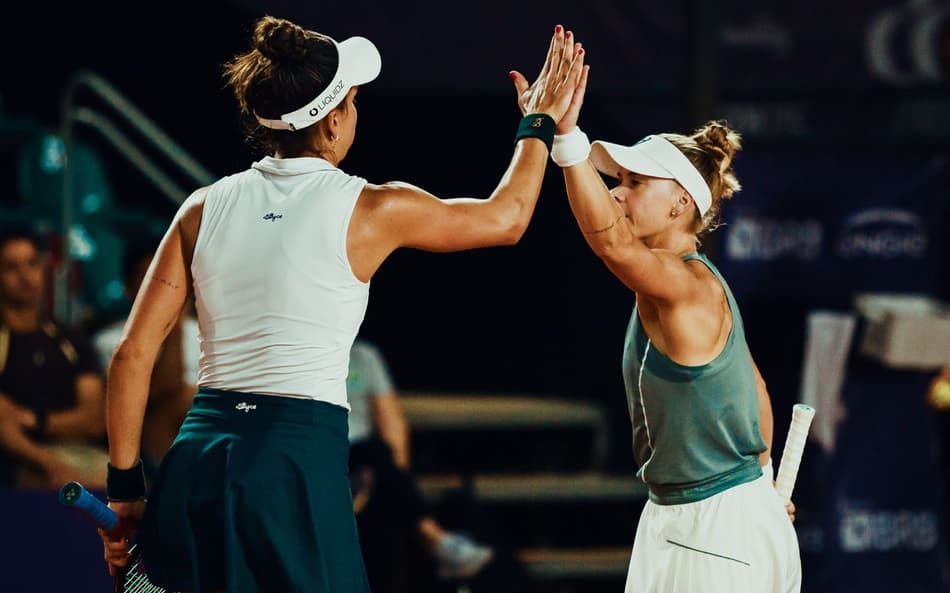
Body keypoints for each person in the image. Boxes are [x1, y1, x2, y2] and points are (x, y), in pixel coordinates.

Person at [99, 16, 585, 593]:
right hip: (293, 462)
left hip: (196, 462)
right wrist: (539, 122)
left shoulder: (200, 208)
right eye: (353, 101)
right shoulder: (375, 207)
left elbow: (132, 355)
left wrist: (125, 491)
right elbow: (507, 218)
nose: (356, 111)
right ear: (332, 124)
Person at [527, 63, 802, 591]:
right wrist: (763, 486)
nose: (616, 193)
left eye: (634, 182)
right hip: (717, 521)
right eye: (618, 182)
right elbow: (757, 390)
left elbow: (610, 243)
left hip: (713, 529)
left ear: (681, 202)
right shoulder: (691, 285)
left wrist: (564, 136)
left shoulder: (684, 286)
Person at [346, 338, 493, 583]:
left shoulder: (363, 355)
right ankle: (434, 538)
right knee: (376, 456)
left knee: (380, 474)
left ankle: (431, 538)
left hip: (364, 463)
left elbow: (391, 420)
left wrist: (394, 480)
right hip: (323, 452)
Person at [0, 230, 107, 489]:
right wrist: (48, 462)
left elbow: (94, 420)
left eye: (32, 264)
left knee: (136, 488)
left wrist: (34, 420)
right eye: (12, 267)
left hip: (83, 453)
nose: (25, 276)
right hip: (22, 461)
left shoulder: (71, 340)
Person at [93, 241, 198, 480]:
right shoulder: (112, 341)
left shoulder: (208, 333)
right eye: (152, 277)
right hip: (151, 443)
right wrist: (173, 325)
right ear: (129, 287)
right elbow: (159, 393)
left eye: (170, 274)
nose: (166, 285)